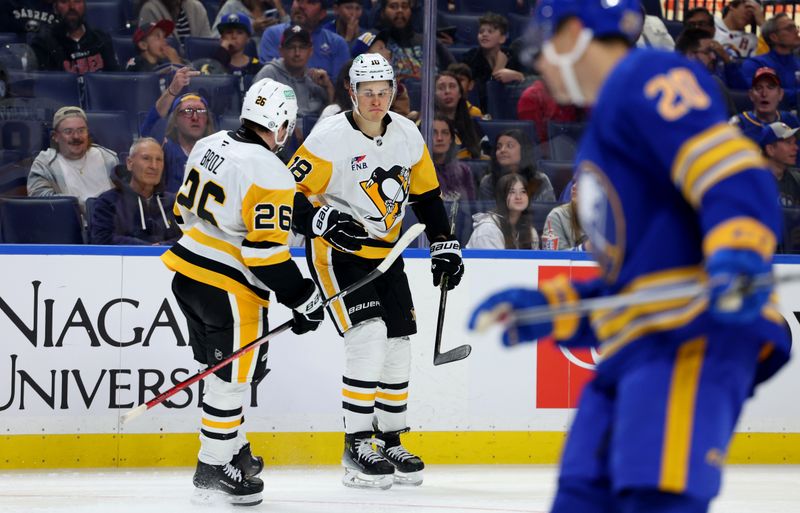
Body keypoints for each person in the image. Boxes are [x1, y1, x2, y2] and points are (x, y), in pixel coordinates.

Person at [468, 3, 790, 513]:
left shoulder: (649, 76)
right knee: (580, 494)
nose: (540, 67)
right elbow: (638, 280)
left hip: (693, 335)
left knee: (651, 498)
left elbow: (733, 173)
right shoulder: (603, 132)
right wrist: (555, 306)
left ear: (575, 34)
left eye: (545, 47)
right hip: (639, 343)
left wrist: (740, 252)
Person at [289, 53, 464, 489]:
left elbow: (426, 196)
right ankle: (356, 442)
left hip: (388, 252)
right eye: (367, 92)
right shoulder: (329, 138)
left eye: (383, 91)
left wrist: (444, 244)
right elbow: (288, 194)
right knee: (367, 335)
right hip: (337, 253)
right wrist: (321, 220)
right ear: (351, 93)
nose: (376, 99)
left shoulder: (406, 134)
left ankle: (389, 437)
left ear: (393, 91)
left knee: (399, 342)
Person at [161, 77, 325, 506]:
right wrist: (304, 297)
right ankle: (212, 467)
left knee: (222, 374)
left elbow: (181, 212)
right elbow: (265, 255)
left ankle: (236, 451)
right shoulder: (270, 170)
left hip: (186, 274)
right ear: (283, 124)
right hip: (228, 288)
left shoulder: (210, 143)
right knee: (231, 382)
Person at [89, 137, 181, 245]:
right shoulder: (107, 202)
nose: (154, 166)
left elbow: (188, 238)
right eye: (146, 158)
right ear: (129, 163)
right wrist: (145, 249)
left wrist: (162, 247)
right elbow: (102, 239)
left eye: (159, 160)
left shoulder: (174, 203)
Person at [139, 67, 216, 193]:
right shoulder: (166, 150)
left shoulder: (217, 152)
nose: (195, 117)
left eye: (201, 111)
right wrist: (172, 91)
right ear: (175, 121)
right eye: (188, 111)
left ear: (207, 120)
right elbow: (149, 128)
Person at [28, 106, 117, 212]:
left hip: (111, 225)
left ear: (87, 133)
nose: (76, 136)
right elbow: (41, 203)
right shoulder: (44, 165)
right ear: (55, 136)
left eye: (81, 130)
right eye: (68, 131)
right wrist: (83, 206)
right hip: (69, 226)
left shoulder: (108, 158)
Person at [258, 0, 350, 81]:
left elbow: (340, 88)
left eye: (310, 2)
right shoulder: (273, 34)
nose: (301, 6)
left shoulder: (337, 43)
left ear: (322, 14)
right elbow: (269, 79)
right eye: (298, 0)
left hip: (322, 99)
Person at [254, 24, 333, 117]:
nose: (297, 53)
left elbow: (332, 114)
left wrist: (328, 87)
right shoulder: (269, 74)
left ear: (310, 51)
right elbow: (255, 108)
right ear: (281, 51)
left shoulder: (316, 78)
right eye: (291, 47)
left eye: (302, 47)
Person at [459, 12, 524, 112]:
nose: (484, 34)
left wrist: (519, 76)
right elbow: (480, 96)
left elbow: (531, 85)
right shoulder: (470, 58)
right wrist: (497, 70)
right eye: (481, 32)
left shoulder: (513, 56)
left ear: (502, 38)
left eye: (490, 31)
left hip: (509, 110)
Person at [31, 0, 119, 72]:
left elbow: (114, 81)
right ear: (55, 8)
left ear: (84, 5)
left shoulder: (101, 39)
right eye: (64, 1)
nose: (72, 7)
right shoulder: (43, 43)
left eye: (77, 1)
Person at [375, 0, 453, 81]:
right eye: (393, 6)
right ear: (382, 13)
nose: (400, 11)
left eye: (405, 6)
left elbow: (456, 71)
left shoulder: (429, 41)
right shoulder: (373, 40)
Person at [478, 129, 555, 203]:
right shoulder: (488, 182)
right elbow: (486, 214)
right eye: (499, 147)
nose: (502, 150)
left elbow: (546, 212)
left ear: (523, 151)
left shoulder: (540, 179)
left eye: (510, 146)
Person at [674, 28, 736, 117]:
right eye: (708, 52)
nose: (713, 57)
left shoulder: (715, 84)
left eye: (713, 52)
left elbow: (732, 122)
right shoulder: (666, 85)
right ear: (690, 56)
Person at [466, 174, 538, 249]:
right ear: (501, 197)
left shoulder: (531, 231)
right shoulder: (488, 229)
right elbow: (493, 260)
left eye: (523, 191)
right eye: (512, 192)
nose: (518, 197)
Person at [730, 67, 799, 143]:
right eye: (759, 88)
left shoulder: (791, 120)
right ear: (751, 95)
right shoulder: (738, 125)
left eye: (770, 87)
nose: (764, 94)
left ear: (780, 94)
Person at [738, 14, 800, 97]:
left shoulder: (797, 62)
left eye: (796, 27)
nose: (796, 31)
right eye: (790, 29)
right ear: (774, 37)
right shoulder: (756, 64)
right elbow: (759, 94)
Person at [434, 72, 482, 159]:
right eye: (441, 88)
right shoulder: (424, 125)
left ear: (460, 93)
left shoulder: (473, 125)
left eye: (452, 86)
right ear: (433, 95)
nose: (447, 91)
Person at [431, 116, 476, 200]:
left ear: (451, 138)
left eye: (445, 133)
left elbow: (470, 207)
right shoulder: (420, 171)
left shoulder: (464, 170)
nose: (439, 138)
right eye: (434, 133)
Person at [759, 121, 800, 207]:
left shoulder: (796, 179)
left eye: (795, 142)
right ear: (770, 149)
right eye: (788, 143)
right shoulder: (753, 182)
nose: (796, 148)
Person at [541, 182, 587, 251]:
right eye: (574, 182)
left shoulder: (607, 218)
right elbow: (554, 257)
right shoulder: (557, 215)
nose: (574, 186)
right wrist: (583, 248)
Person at [138, 0, 213, 41]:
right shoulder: (150, 9)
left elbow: (205, 47)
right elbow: (152, 52)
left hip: (197, 66)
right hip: (165, 67)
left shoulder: (197, 8)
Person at [212, 0, 287, 38]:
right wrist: (251, 28)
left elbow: (290, 36)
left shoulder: (273, 8)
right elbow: (215, 37)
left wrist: (280, 10)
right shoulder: (232, 5)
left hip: (268, 59)